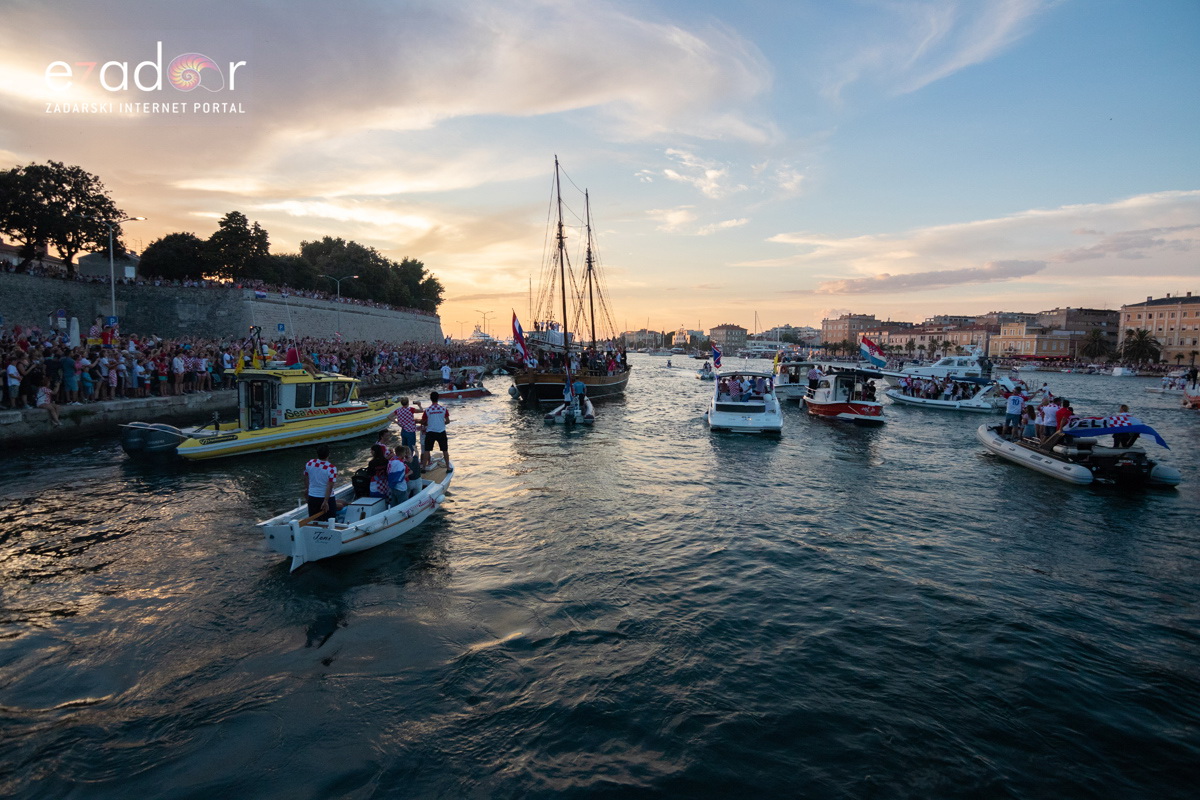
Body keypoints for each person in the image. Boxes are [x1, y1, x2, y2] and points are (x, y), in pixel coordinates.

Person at [302, 444, 339, 521]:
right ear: (329, 454)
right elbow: (330, 486)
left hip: (312, 496)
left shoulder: (310, 463)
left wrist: (307, 489)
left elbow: (306, 477)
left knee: (314, 520)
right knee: (330, 520)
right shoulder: (331, 468)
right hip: (326, 498)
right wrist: (325, 501)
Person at [420, 391, 451, 470]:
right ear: (438, 398)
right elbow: (447, 421)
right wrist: (441, 423)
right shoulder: (444, 409)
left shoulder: (427, 410)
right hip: (441, 432)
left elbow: (423, 421)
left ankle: (423, 468)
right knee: (445, 450)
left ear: (430, 399)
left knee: (427, 450)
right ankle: (448, 467)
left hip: (430, 432)